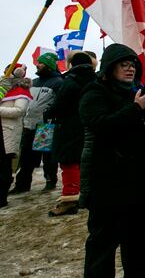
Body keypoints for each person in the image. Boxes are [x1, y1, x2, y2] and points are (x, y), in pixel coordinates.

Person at [79, 44, 145, 276]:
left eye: (132, 65)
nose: (130, 69)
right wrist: (136, 108)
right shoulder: (94, 92)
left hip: (141, 186)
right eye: (123, 65)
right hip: (108, 185)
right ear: (110, 67)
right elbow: (102, 126)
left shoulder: (137, 91)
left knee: (138, 251)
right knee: (102, 251)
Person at [46, 51, 97, 217]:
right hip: (88, 127)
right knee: (85, 163)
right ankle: (86, 194)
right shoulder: (95, 80)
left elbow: (59, 104)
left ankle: (69, 201)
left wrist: (48, 112)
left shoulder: (70, 81)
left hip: (68, 128)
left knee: (69, 163)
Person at [12, 52, 63, 193]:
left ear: (49, 65)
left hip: (45, 126)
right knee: (26, 157)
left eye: (41, 63)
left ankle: (50, 181)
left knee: (47, 157)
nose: (37, 64)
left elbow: (60, 103)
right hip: (29, 124)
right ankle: (22, 184)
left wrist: (49, 114)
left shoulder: (58, 82)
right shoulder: (34, 82)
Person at [0, 65, 32, 207]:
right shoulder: (3, 89)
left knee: (4, 166)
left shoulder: (21, 91)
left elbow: (19, 110)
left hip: (8, 131)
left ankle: (1, 197)